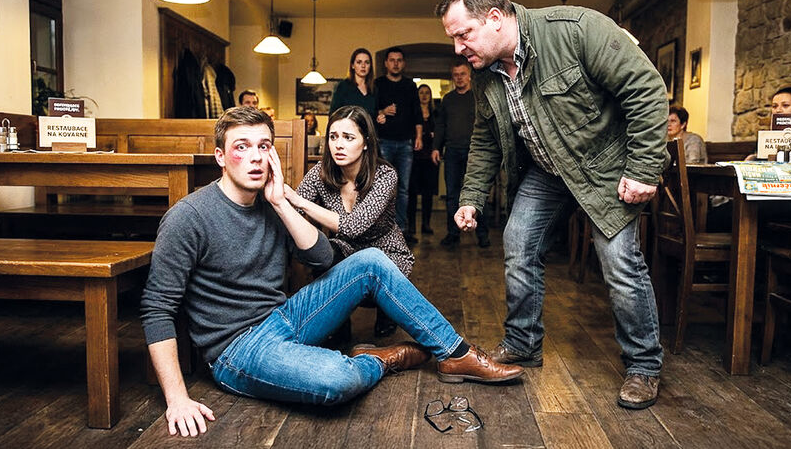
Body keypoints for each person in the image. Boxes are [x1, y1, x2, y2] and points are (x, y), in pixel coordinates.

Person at [141, 106, 523, 437]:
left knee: (372, 260)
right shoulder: (189, 217)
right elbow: (157, 309)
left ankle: (454, 352)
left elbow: (323, 259)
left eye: (264, 146)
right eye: (242, 147)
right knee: (337, 380)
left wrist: (283, 203)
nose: (255, 157)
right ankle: (378, 359)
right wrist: (177, 399)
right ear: (221, 157)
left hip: (284, 317)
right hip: (238, 348)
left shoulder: (271, 203)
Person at [436, 0, 667, 410]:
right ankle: (523, 343)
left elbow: (647, 90)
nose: (458, 48)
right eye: (453, 38)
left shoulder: (576, 29)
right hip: (547, 171)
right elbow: (486, 138)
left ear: (495, 18)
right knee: (518, 243)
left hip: (606, 167)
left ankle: (643, 364)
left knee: (618, 261)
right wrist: (470, 197)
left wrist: (643, 168)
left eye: (463, 34)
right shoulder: (485, 73)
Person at [286, 105, 410, 338]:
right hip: (345, 248)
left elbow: (354, 226)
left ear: (366, 142)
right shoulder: (321, 172)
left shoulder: (385, 175)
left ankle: (386, 312)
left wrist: (299, 201)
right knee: (320, 254)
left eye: (348, 137)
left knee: (377, 288)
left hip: (385, 252)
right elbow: (292, 211)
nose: (339, 145)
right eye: (333, 137)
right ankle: (338, 321)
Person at [431, 60, 490, 248]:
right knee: (452, 195)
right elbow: (441, 126)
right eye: (456, 75)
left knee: (478, 193)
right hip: (452, 152)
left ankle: (483, 235)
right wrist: (436, 147)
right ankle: (453, 234)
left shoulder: (478, 97)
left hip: (475, 153)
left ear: (469, 75)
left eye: (462, 74)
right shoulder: (448, 99)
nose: (459, 78)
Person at [375, 47, 424, 243]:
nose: (395, 63)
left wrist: (418, 136)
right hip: (384, 142)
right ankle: (383, 230)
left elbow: (417, 113)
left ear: (403, 63)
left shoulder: (410, 85)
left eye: (399, 60)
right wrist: (382, 112)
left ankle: (401, 230)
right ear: (386, 63)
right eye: (392, 60)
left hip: (405, 143)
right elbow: (372, 111)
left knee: (403, 189)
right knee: (384, 187)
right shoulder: (378, 84)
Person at [408, 84, 439, 237]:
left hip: (430, 158)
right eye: (421, 93)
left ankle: (426, 224)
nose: (424, 95)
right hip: (414, 158)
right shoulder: (413, 113)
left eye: (427, 92)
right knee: (412, 193)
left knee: (428, 193)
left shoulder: (435, 113)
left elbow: (440, 132)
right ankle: (411, 226)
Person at [329, 48, 381, 121]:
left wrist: (379, 119)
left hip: (368, 128)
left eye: (367, 62)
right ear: (352, 65)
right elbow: (333, 115)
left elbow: (374, 115)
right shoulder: (343, 86)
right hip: (348, 127)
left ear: (370, 66)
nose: (363, 66)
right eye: (359, 62)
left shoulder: (374, 89)